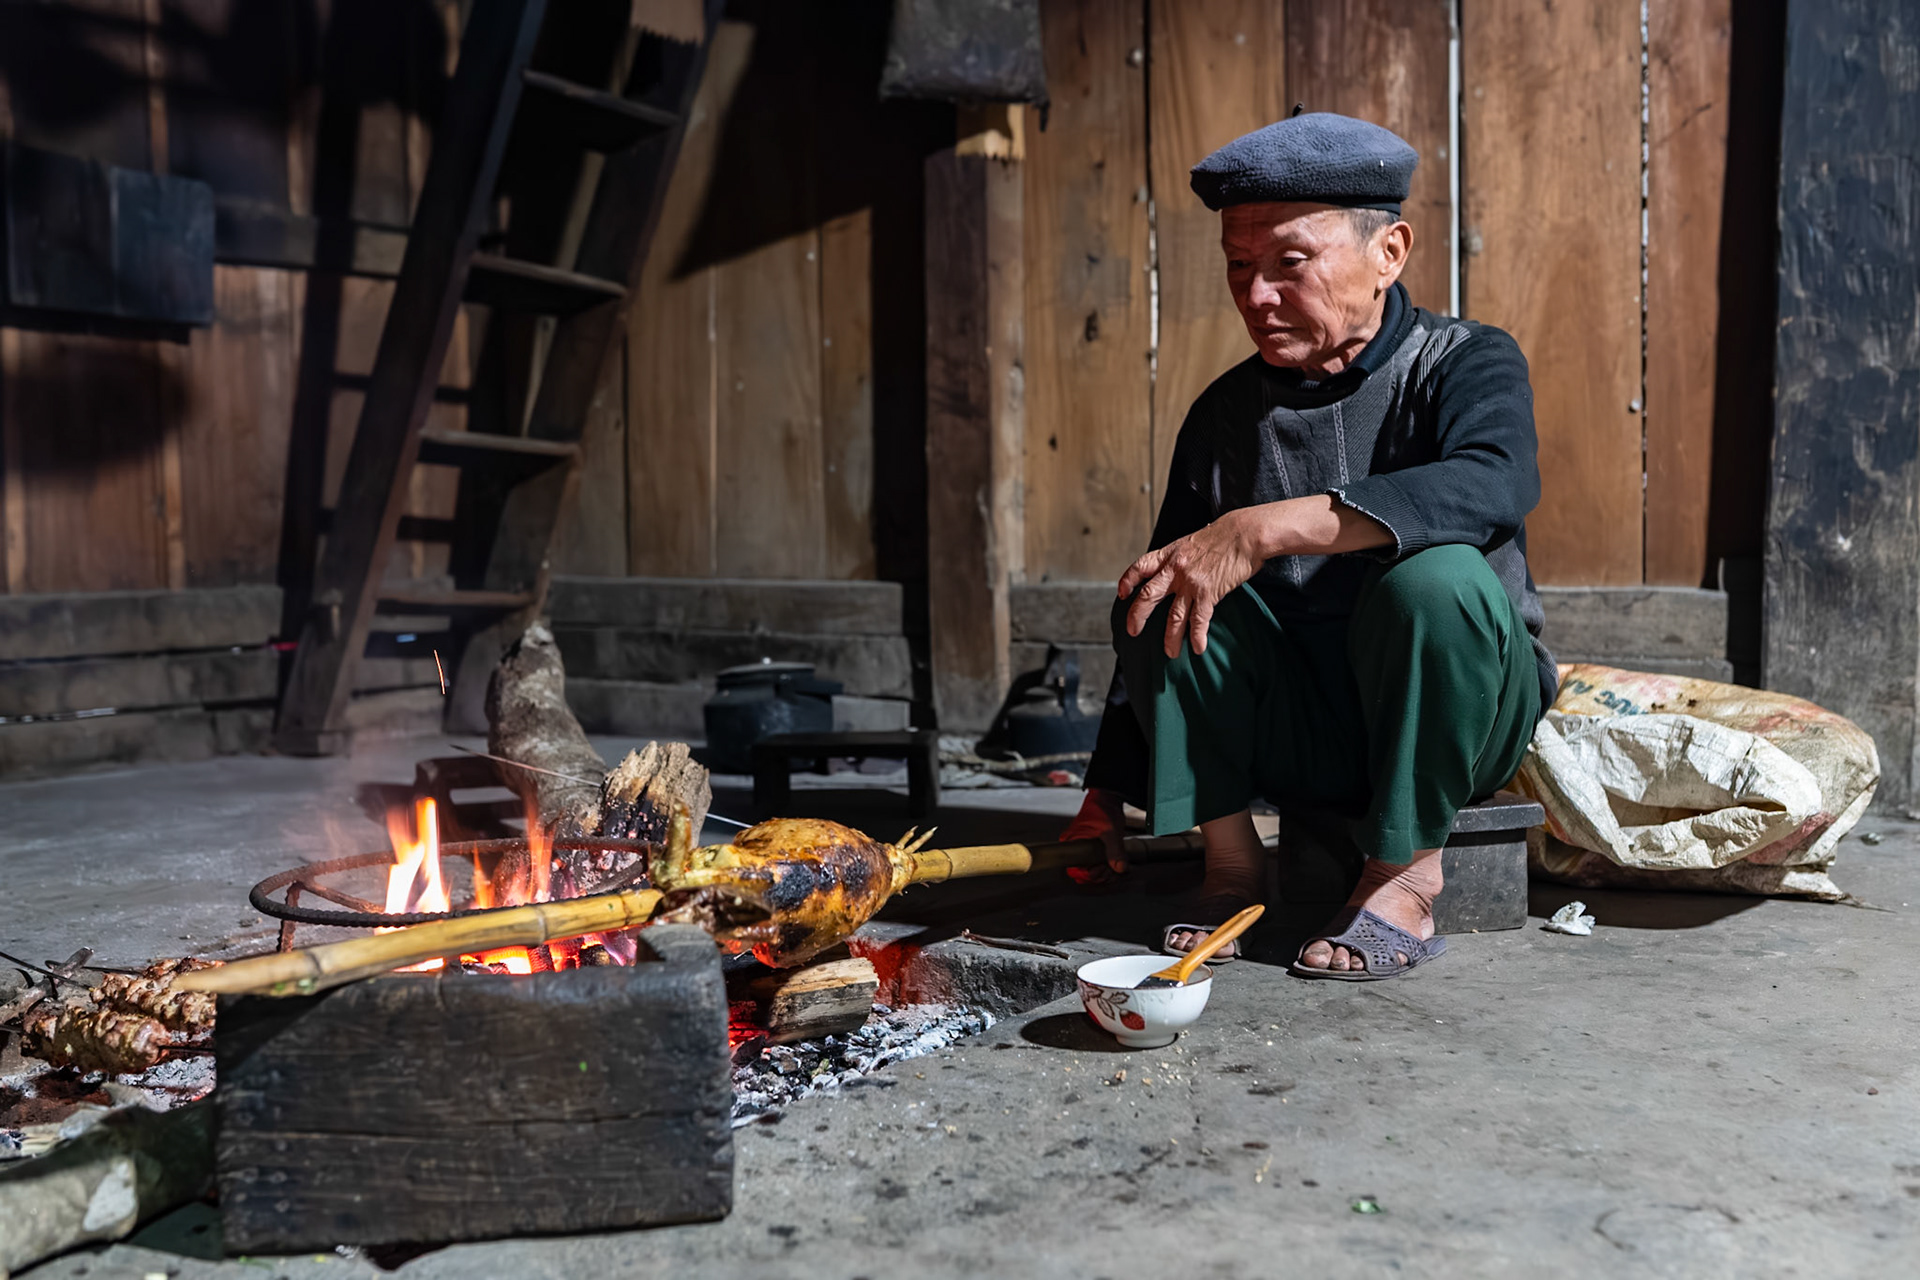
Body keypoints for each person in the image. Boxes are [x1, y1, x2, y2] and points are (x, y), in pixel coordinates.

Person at [1061, 111, 1555, 981]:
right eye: (1238, 266)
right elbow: (1160, 603)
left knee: (1435, 581)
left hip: (1457, 720)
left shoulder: (1465, 360)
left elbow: (1493, 483)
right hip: (1297, 732)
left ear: (1389, 252)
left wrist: (1264, 527)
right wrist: (1106, 793)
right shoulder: (1224, 413)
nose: (1256, 296)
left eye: (1290, 263)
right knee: (1163, 585)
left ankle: (1405, 875)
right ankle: (1231, 863)